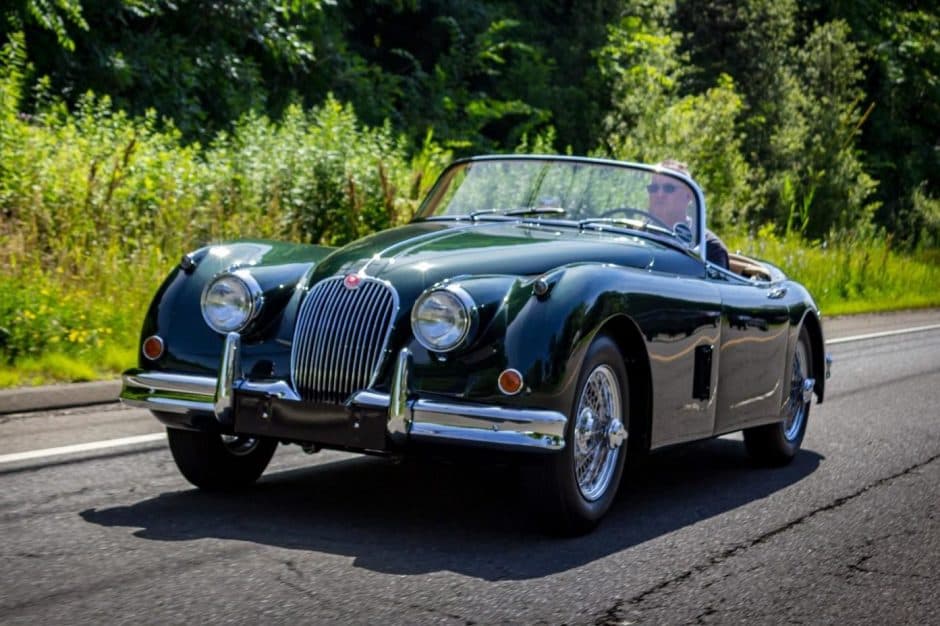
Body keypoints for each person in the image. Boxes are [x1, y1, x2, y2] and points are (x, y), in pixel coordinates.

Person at [648, 159, 730, 269]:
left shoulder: (709, 247)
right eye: (654, 188)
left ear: (688, 195)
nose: (659, 194)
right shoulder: (637, 233)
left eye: (669, 188)